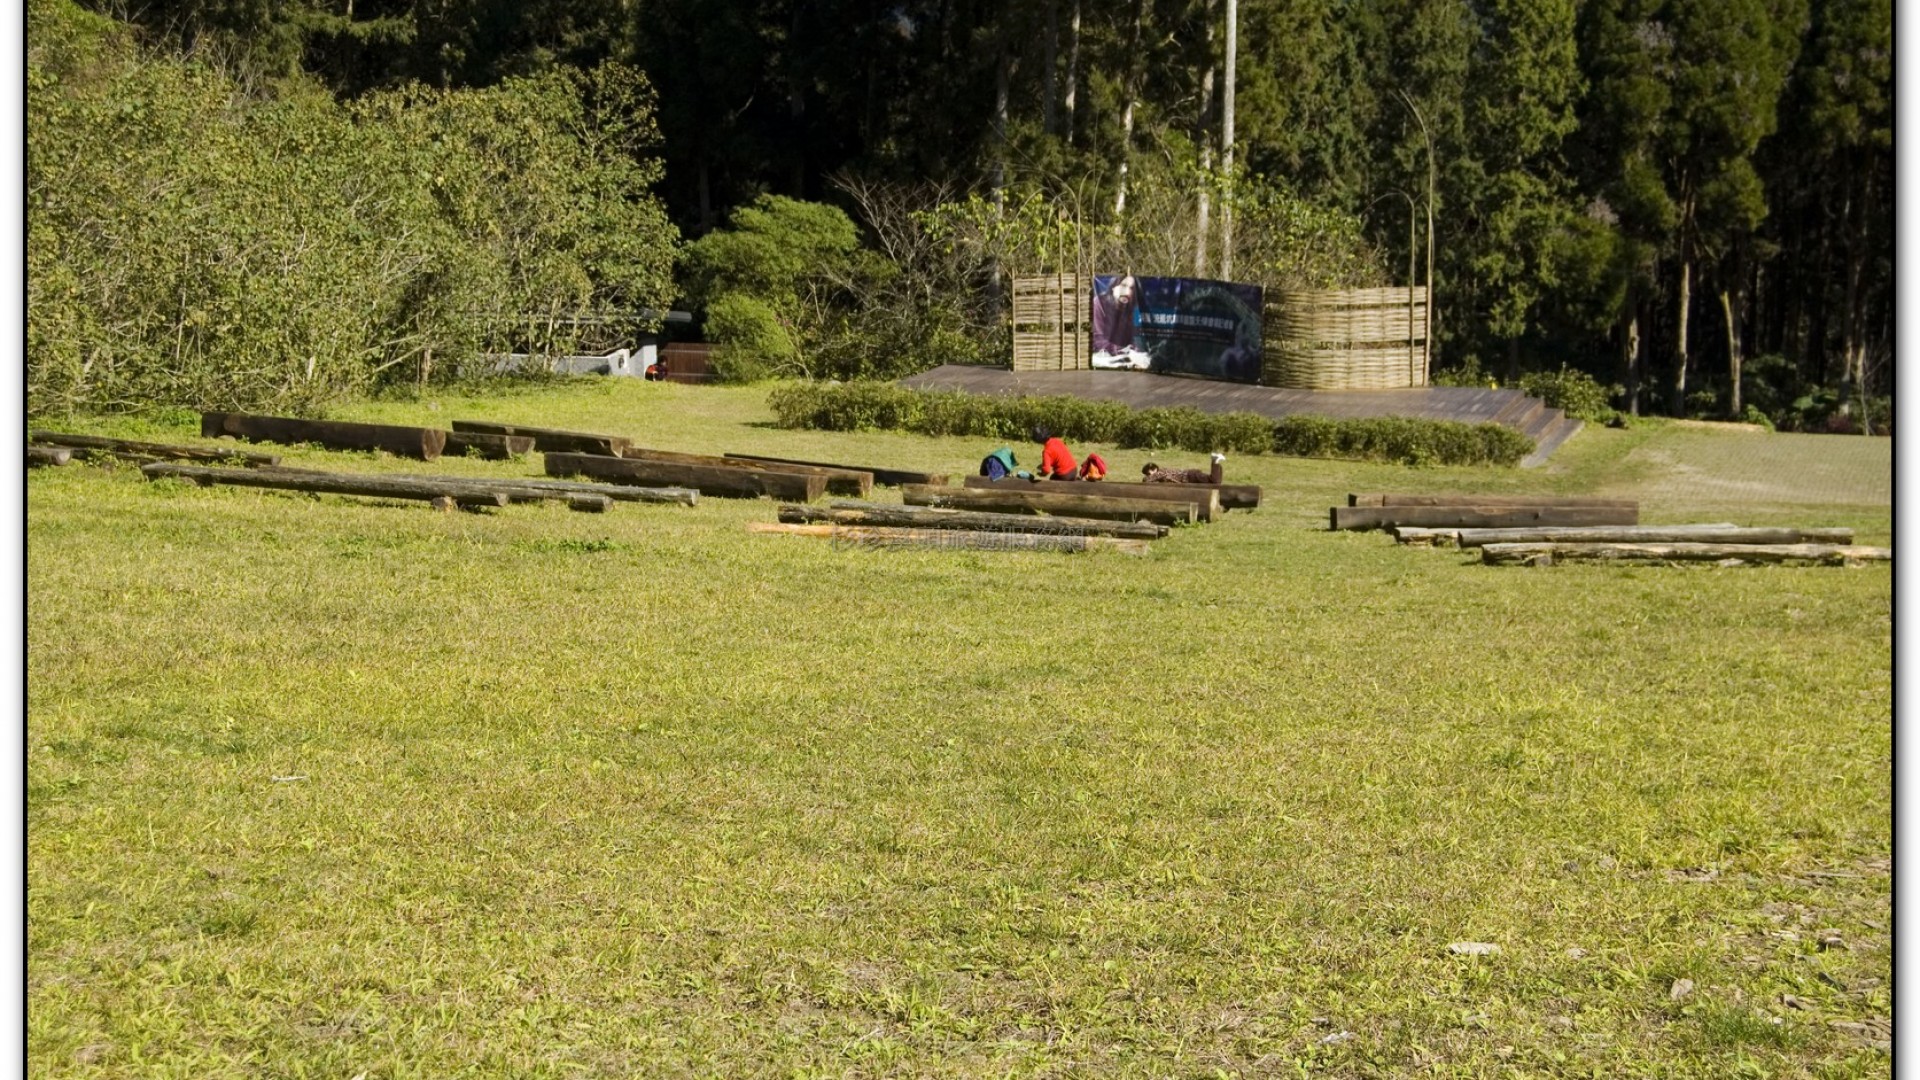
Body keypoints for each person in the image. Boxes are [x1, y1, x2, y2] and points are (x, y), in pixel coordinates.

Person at [1090, 275, 1152, 370]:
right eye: (1123, 285)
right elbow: (1098, 340)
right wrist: (1123, 350)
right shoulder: (1099, 303)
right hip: (1102, 355)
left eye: (1131, 288)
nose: (1127, 292)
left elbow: (1134, 339)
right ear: (1113, 287)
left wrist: (1134, 350)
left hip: (1124, 356)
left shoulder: (1132, 309)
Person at [1141, 452, 1225, 484]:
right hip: (1190, 477)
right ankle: (1216, 463)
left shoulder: (1160, 472)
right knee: (1216, 484)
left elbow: (1146, 480)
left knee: (1214, 481)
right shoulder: (1162, 475)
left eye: (1148, 473)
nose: (1149, 475)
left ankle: (1215, 461)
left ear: (1154, 469)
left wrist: (1147, 478)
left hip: (1190, 476)